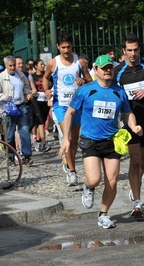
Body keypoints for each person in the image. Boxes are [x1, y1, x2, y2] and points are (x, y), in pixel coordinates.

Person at [58, 55, 142, 229]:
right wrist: (66, 138)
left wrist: (134, 127)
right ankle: (88, 188)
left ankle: (103, 214)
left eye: (110, 67)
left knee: (112, 181)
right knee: (95, 179)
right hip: (90, 141)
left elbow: (127, 113)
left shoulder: (119, 91)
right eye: (104, 68)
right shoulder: (85, 90)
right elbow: (69, 113)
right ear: (95, 70)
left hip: (112, 141)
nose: (108, 70)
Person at [113, 33, 144, 219]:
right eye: (129, 50)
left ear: (139, 50)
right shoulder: (118, 71)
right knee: (134, 159)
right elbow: (112, 92)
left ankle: (136, 185)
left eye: (135, 50)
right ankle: (137, 203)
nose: (133, 54)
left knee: (142, 160)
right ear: (124, 51)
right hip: (129, 120)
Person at [43, 32, 92, 186]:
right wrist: (46, 90)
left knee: (75, 140)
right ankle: (72, 172)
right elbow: (45, 77)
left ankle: (69, 163)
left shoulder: (80, 62)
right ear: (58, 47)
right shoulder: (53, 63)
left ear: (72, 46)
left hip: (77, 105)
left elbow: (90, 81)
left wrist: (83, 80)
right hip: (61, 105)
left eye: (68, 47)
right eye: (63, 47)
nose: (66, 50)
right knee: (68, 138)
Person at [0, 56, 34, 165]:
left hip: (21, 105)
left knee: (24, 130)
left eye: (14, 65)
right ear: (6, 65)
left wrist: (27, 93)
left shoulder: (20, 74)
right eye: (10, 65)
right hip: (9, 107)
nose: (13, 67)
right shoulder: (1, 76)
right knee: (9, 133)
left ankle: (27, 155)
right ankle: (10, 156)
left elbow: (26, 85)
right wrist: (3, 97)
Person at [31, 59, 52, 152]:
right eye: (41, 64)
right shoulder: (32, 76)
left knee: (42, 122)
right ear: (36, 66)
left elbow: (51, 85)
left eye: (43, 64)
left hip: (45, 100)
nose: (43, 65)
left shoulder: (46, 75)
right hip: (36, 101)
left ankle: (38, 141)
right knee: (41, 122)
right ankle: (44, 143)